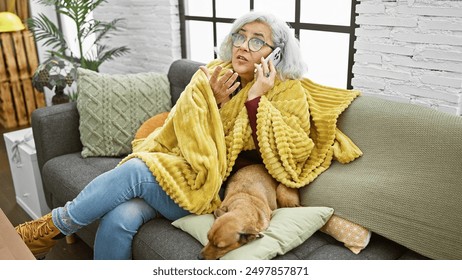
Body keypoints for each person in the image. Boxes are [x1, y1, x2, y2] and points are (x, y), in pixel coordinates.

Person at [15, 11, 361, 260]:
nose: (242, 45)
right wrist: (213, 102)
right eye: (239, 36)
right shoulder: (212, 74)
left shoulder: (289, 93)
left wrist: (255, 99)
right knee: (119, 218)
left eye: (257, 41)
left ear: (276, 53)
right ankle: (50, 231)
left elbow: (293, 152)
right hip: (191, 175)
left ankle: (50, 228)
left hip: (220, 196)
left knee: (136, 172)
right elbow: (180, 130)